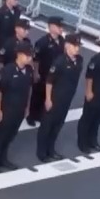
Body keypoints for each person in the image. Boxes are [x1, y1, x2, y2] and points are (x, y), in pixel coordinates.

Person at [37, 33, 83, 162]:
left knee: (58, 125)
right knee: (47, 126)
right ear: (67, 45)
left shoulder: (79, 60)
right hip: (55, 98)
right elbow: (49, 81)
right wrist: (48, 99)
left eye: (78, 46)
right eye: (74, 45)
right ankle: (41, 153)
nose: (77, 48)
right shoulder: (59, 62)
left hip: (67, 99)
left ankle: (51, 149)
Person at [0, 43, 34, 172]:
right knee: (0, 136)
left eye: (30, 56)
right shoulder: (7, 71)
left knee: (10, 135)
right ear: (19, 55)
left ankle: (3, 159)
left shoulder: (29, 71)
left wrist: (27, 107)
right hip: (6, 109)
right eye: (27, 55)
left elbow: (29, 89)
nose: (29, 58)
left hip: (19, 109)